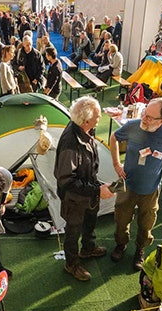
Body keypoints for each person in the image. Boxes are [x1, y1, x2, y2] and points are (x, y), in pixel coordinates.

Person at [109, 98, 162, 270]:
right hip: (127, 184)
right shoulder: (133, 125)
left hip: (151, 188)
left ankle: (140, 249)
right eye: (145, 113)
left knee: (146, 223)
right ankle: (121, 244)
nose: (144, 119)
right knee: (121, 218)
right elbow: (114, 137)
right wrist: (117, 164)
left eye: (150, 117)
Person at [54, 96, 114, 281]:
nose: (100, 118)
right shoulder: (70, 143)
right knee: (73, 232)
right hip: (75, 198)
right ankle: (71, 264)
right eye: (97, 115)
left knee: (90, 221)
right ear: (86, 120)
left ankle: (88, 249)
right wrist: (97, 191)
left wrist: (95, 188)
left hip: (87, 191)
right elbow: (66, 180)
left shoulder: (85, 130)